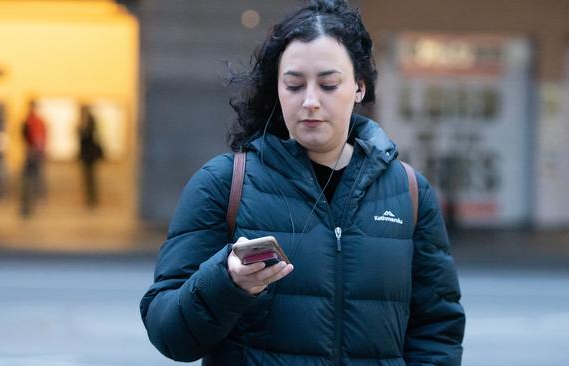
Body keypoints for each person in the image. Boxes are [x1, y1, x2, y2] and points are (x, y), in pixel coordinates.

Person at [140, 1, 465, 365]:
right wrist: (227, 283)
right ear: (277, 90)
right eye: (294, 85)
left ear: (359, 87)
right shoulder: (222, 184)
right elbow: (169, 334)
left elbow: (437, 330)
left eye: (328, 84)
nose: (310, 101)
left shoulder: (408, 191)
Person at [20, 100, 47, 217]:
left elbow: (40, 137)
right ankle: (29, 201)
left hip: (34, 153)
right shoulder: (29, 120)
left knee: (34, 178)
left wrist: (37, 150)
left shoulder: (36, 121)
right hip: (32, 152)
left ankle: (34, 200)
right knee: (29, 178)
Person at [78, 105, 103, 208]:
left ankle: (92, 199)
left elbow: (87, 136)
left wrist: (80, 131)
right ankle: (90, 199)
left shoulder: (90, 121)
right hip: (86, 155)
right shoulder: (85, 121)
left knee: (91, 178)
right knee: (88, 178)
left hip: (89, 155)